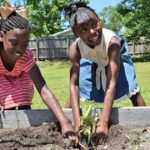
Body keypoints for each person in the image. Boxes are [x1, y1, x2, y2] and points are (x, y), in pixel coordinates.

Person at [64, 1, 146, 145]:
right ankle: (65, 122)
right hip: (93, 58)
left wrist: (103, 123)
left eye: (95, 24)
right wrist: (77, 121)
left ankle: (146, 120)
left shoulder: (113, 43)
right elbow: (74, 84)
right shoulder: (75, 48)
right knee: (80, 88)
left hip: (113, 56)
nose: (92, 32)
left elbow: (111, 84)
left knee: (132, 89)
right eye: (83, 30)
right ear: (76, 34)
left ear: (100, 21)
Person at [0, 1, 79, 144]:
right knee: (8, 108)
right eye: (14, 42)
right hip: (1, 78)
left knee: (24, 103)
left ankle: (29, 131)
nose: (19, 49)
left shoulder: (25, 56)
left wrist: (65, 122)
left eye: (25, 44)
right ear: (1, 36)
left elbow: (43, 89)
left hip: (21, 76)